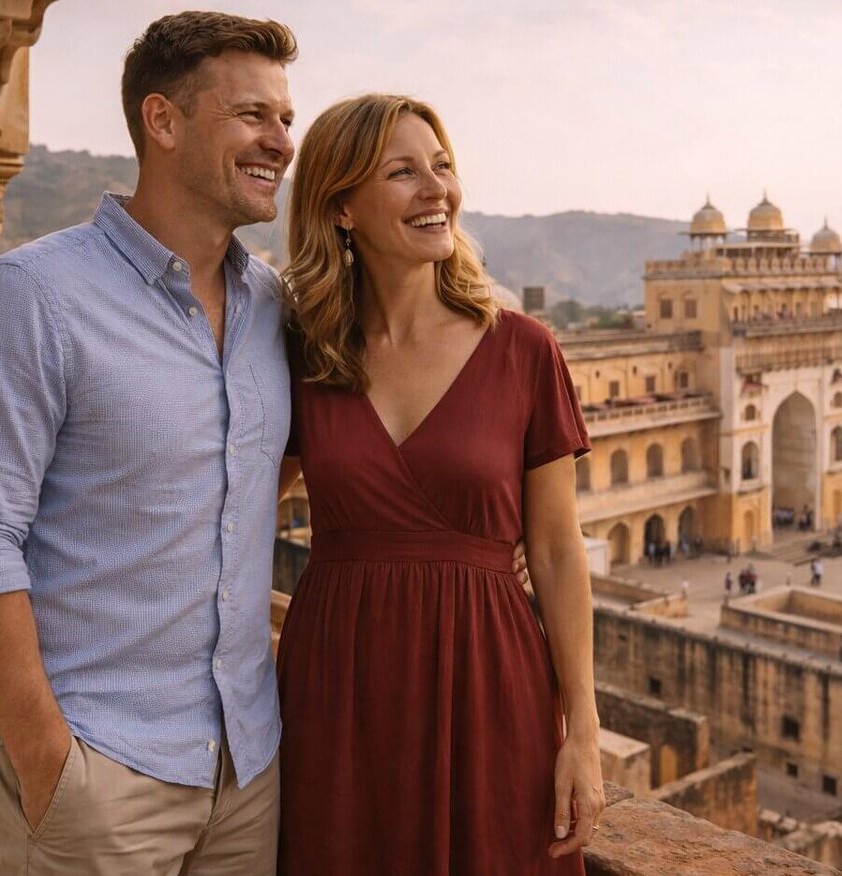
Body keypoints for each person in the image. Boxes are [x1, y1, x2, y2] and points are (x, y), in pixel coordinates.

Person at [0, 15, 304, 874]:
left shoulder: (271, 308)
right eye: (252, 116)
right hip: (94, 766)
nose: (280, 139)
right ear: (161, 122)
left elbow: (264, 474)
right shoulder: (29, 299)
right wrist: (49, 760)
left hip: (245, 768)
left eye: (285, 118)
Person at [275, 94, 601, 875]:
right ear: (342, 207)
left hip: (491, 680)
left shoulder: (524, 350)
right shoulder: (304, 357)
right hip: (337, 682)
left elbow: (556, 550)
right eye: (403, 172)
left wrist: (583, 732)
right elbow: (234, 507)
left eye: (443, 167)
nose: (437, 189)